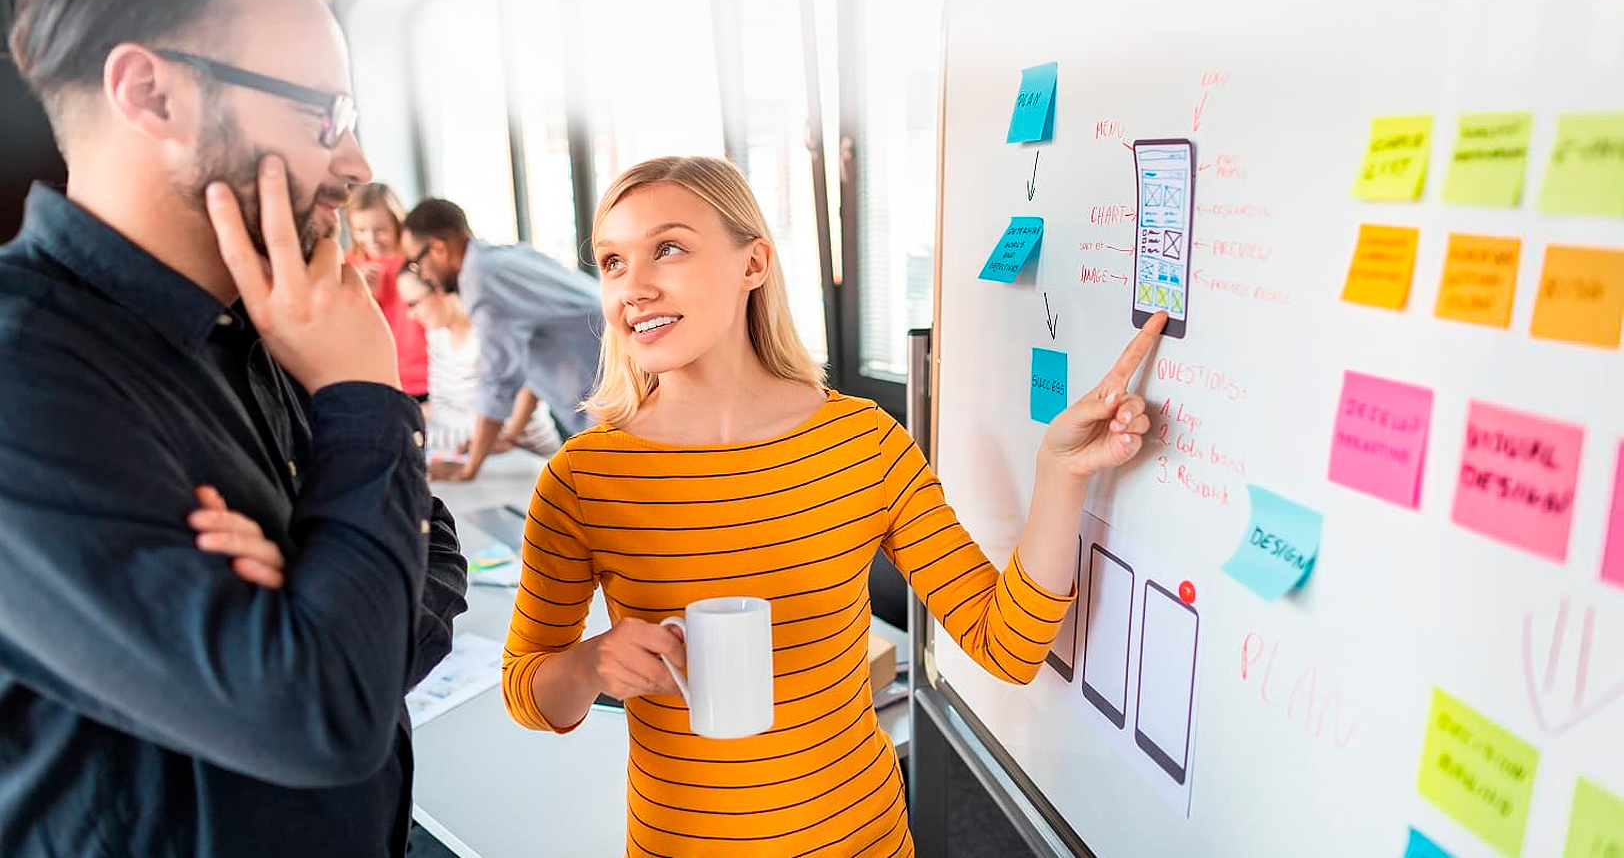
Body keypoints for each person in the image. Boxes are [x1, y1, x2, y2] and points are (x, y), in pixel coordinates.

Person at [500, 155, 1163, 858]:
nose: (632, 286)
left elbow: (1007, 645)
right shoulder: (582, 479)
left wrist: (1059, 473)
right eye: (611, 262)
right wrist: (591, 664)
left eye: (667, 247)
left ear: (753, 262)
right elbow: (526, 689)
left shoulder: (865, 444)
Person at [0, 0, 466, 858]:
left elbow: (438, 565)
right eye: (319, 112)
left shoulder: (275, 322)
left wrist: (327, 604)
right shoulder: (23, 375)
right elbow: (324, 715)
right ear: (152, 95)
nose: (357, 164)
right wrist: (363, 402)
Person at [399, 198, 602, 481]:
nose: (423, 274)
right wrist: (508, 435)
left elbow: (499, 377)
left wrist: (470, 467)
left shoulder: (482, 280)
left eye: (416, 263)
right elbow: (528, 358)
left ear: (438, 248)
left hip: (609, 396)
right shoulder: (501, 259)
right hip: (610, 387)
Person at [395, 265, 562, 459]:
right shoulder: (437, 335)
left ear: (440, 289)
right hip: (478, 452)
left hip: (530, 456)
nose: (411, 314)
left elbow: (506, 424)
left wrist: (439, 421)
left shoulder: (489, 334)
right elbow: (439, 405)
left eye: (414, 303)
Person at [345, 182, 430, 402]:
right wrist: (366, 296)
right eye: (361, 230)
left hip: (428, 378)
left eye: (380, 230)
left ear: (397, 223)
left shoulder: (418, 263)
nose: (371, 239)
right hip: (381, 381)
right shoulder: (349, 266)